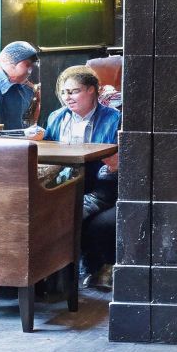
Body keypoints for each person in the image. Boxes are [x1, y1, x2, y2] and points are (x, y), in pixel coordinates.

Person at [44, 65, 122, 290]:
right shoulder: (56, 117)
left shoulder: (114, 119)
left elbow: (121, 159)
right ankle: (51, 274)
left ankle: (79, 270)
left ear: (91, 90)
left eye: (74, 91)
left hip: (100, 186)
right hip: (64, 184)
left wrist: (114, 165)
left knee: (70, 214)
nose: (68, 97)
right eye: (65, 92)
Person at [0, 40, 41, 131]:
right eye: (27, 64)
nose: (30, 71)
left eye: (33, 66)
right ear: (6, 60)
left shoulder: (28, 89)